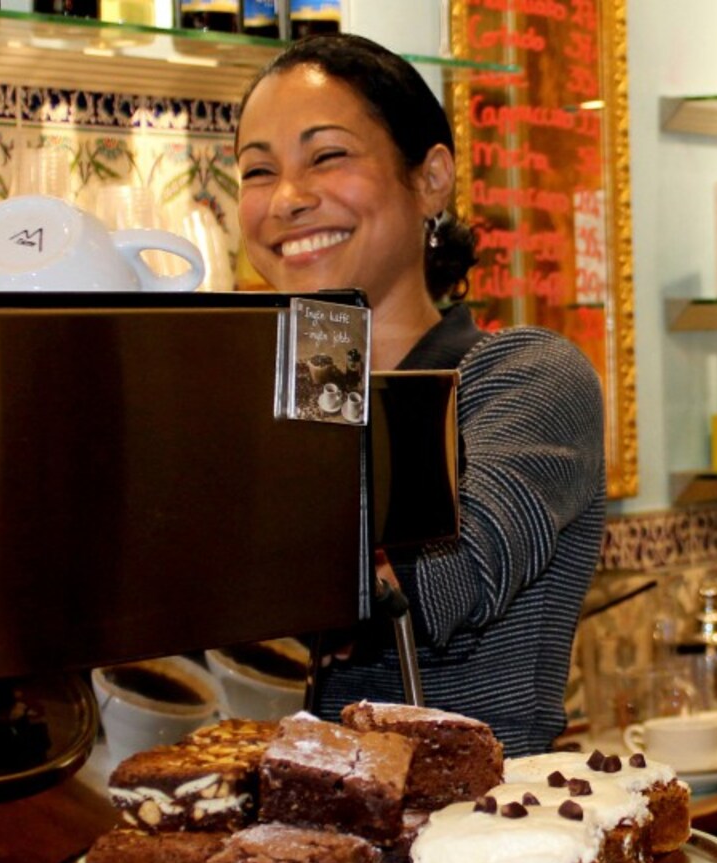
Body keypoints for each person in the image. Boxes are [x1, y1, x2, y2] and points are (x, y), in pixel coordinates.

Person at [234, 34, 605, 757]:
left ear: (432, 178)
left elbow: (448, 580)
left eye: (327, 156)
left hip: (483, 817)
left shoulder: (527, 374)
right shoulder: (279, 393)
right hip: (300, 814)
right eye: (258, 171)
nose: (287, 198)